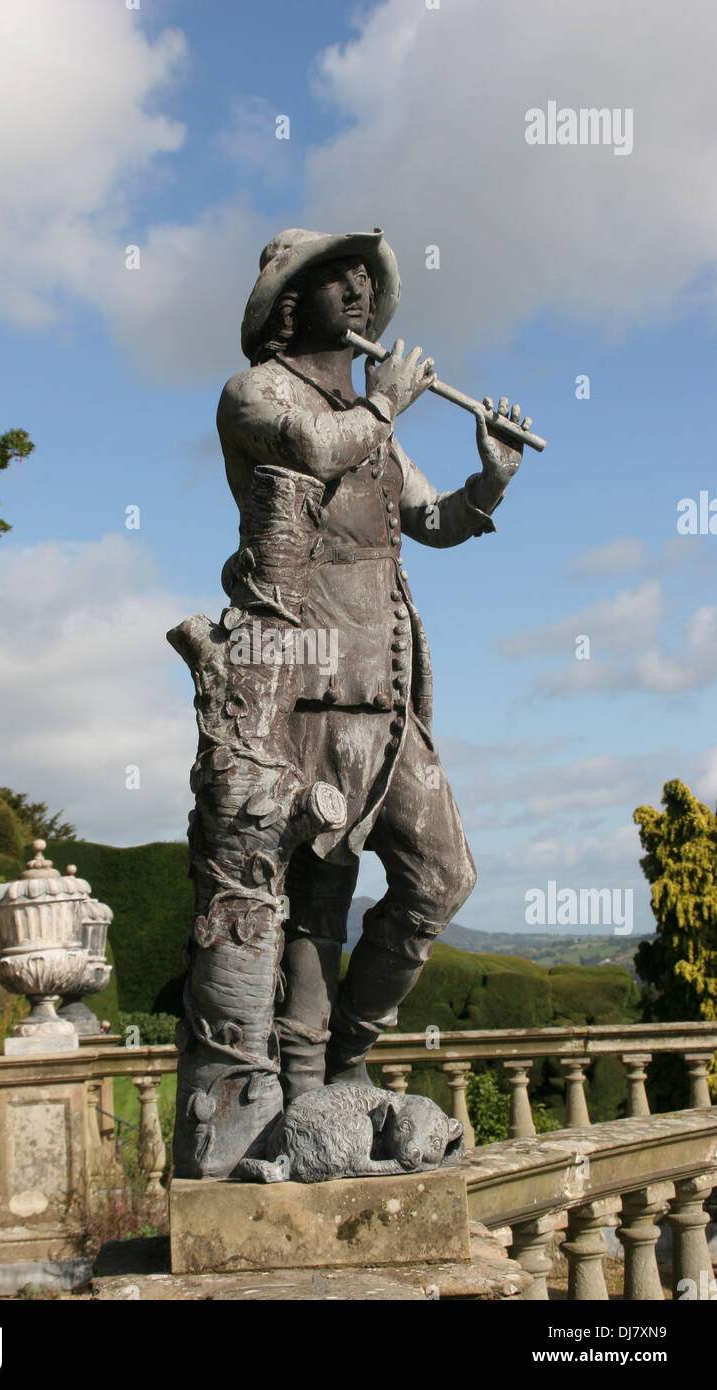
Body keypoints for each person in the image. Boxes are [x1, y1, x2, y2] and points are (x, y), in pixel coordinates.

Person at [217, 228, 526, 1102]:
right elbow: (313, 450)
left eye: (366, 281)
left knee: (442, 879)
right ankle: (311, 1090)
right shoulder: (256, 393)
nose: (359, 293)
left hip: (388, 699)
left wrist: (490, 481)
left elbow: (432, 521)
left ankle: (351, 1054)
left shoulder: (373, 422)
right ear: (290, 299)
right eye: (336, 278)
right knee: (317, 900)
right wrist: (385, 407)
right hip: (306, 690)